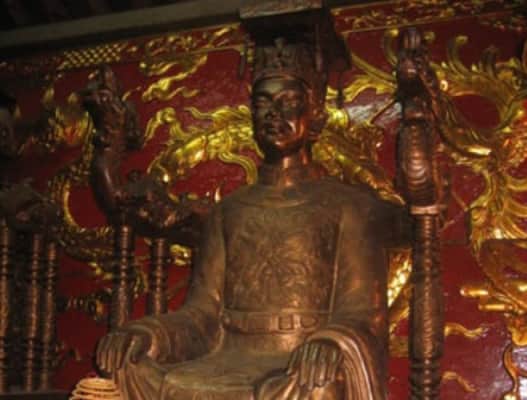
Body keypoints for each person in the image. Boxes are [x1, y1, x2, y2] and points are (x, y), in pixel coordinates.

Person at [95, 23, 406, 400]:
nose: (273, 114)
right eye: (262, 104)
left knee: (319, 386)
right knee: (129, 367)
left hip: (296, 367)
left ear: (315, 116)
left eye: (288, 102)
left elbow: (362, 313)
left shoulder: (347, 205)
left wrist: (331, 342)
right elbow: (201, 316)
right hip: (226, 356)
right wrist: (146, 335)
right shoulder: (229, 211)